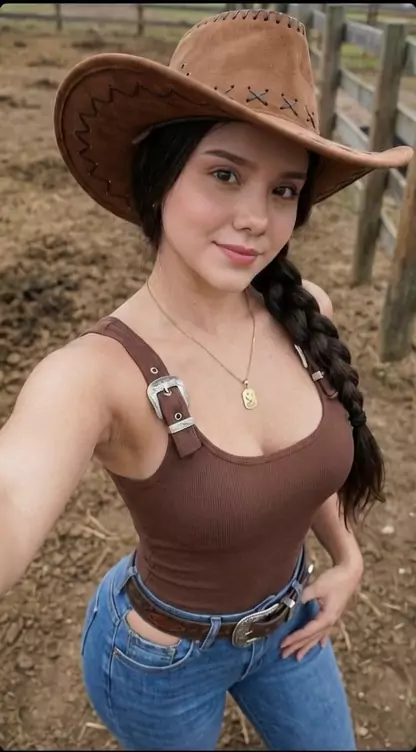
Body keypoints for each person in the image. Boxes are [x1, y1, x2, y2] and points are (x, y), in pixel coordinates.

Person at [1, 8, 412, 752]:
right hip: (159, 662)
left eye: (284, 190)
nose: (256, 218)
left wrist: (349, 559)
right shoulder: (93, 374)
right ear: (159, 175)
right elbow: (12, 493)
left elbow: (306, 470)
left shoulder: (305, 311)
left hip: (290, 626)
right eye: (224, 174)